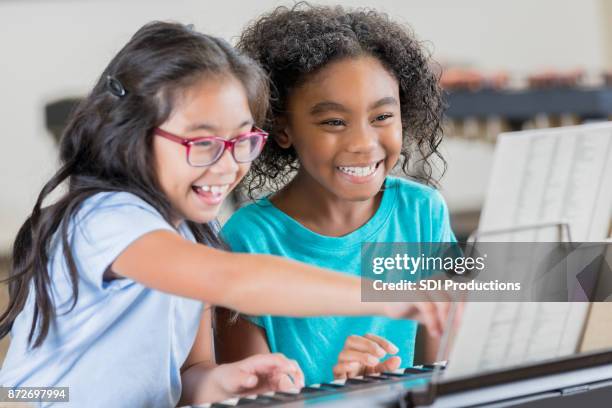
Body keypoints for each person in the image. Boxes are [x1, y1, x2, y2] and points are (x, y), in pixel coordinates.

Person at [0, 22, 447, 407]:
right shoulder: (104, 219)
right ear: (134, 135)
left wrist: (224, 382)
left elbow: (190, 375)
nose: (228, 164)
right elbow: (233, 280)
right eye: (203, 142)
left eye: (241, 141)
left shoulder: (198, 228)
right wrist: (391, 295)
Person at [219, 4, 456, 385]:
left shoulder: (422, 212)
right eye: (334, 122)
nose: (363, 143)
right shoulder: (248, 239)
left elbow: (443, 380)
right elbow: (252, 396)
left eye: (382, 117)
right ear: (282, 129)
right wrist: (347, 392)